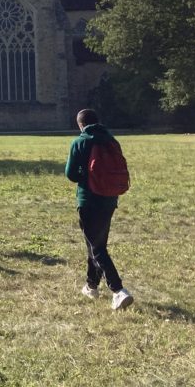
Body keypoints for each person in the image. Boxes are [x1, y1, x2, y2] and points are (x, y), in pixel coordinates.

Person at [65, 109, 134, 310]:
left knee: (97, 248)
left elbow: (71, 174)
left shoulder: (79, 142)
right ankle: (91, 285)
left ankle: (118, 290)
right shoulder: (111, 140)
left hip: (88, 200)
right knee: (96, 243)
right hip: (109, 199)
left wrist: (83, 175)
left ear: (80, 125)